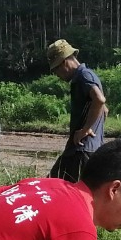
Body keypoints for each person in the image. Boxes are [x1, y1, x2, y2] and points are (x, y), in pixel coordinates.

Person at [45, 38, 106, 183]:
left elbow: (100, 100)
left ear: (64, 62)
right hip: (84, 149)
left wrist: (86, 129)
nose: (57, 75)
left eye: (56, 70)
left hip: (81, 151)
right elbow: (105, 110)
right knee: (55, 185)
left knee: (54, 187)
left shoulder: (83, 76)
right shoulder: (85, 76)